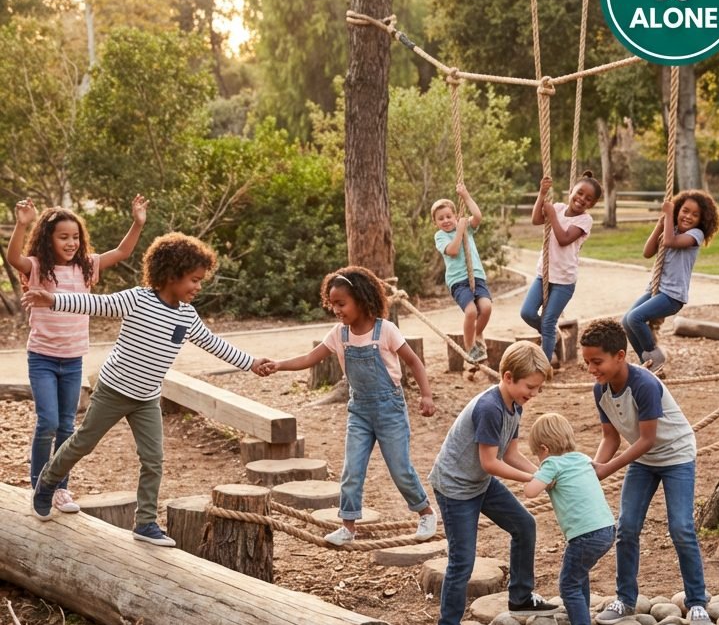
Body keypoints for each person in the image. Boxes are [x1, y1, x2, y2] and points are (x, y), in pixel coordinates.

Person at [23, 232, 267, 545]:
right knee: (83, 443)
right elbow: (96, 303)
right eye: (194, 280)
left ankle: (145, 522)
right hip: (114, 390)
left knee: (153, 459)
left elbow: (214, 344)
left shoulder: (187, 316)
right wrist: (53, 299)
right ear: (171, 275)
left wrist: (252, 363)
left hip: (147, 398)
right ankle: (47, 483)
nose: (198, 287)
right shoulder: (137, 299)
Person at [256, 265, 436, 545]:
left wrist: (426, 395)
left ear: (361, 299)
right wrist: (279, 364)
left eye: (341, 303)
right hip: (359, 411)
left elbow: (414, 362)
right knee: (352, 469)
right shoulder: (339, 334)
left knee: (400, 468)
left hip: (390, 410)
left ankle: (425, 512)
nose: (336, 310)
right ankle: (348, 527)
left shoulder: (385, 330)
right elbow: (309, 358)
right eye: (332, 304)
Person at [7, 195, 149, 512]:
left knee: (67, 427)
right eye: (63, 237)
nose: (71, 243)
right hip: (42, 358)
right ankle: (39, 487)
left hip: (73, 360)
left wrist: (137, 223)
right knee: (47, 422)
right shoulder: (38, 267)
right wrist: (21, 224)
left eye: (75, 237)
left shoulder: (86, 267)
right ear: (49, 238)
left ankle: (59, 488)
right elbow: (14, 257)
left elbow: (122, 252)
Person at [580, 318, 712, 625]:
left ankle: (697, 601)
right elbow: (610, 438)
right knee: (626, 527)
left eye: (597, 361)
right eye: (587, 362)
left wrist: (607, 470)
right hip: (644, 460)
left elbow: (647, 439)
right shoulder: (601, 390)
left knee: (681, 527)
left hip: (676, 456)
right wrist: (593, 468)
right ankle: (625, 599)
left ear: (620, 356)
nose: (591, 369)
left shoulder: (644, 385)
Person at [428, 341, 558, 625]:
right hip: (456, 488)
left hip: (479, 482)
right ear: (509, 377)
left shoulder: (515, 405)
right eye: (530, 387)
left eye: (538, 388)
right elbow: (490, 463)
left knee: (524, 525)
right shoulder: (489, 407)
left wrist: (543, 473)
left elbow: (511, 454)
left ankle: (521, 597)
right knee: (463, 560)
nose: (534, 393)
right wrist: (531, 480)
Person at [522, 412, 615, 625]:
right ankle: (580, 619)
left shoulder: (551, 464)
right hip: (606, 528)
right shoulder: (582, 458)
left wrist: (538, 475)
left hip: (585, 535)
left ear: (544, 449)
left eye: (537, 454)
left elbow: (530, 492)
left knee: (568, 584)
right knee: (579, 576)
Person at [622, 190, 719, 373]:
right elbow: (647, 253)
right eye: (685, 211)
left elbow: (669, 241)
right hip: (655, 289)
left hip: (672, 296)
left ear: (702, 219)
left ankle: (656, 357)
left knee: (635, 318)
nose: (688, 216)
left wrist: (668, 214)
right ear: (678, 210)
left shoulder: (696, 235)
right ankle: (648, 364)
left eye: (695, 214)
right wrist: (660, 224)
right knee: (626, 321)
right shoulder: (670, 228)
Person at [520, 171, 601, 364]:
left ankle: (544, 366)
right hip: (544, 274)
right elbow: (536, 220)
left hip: (564, 281)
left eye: (588, 198)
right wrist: (542, 194)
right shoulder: (557, 207)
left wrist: (552, 215)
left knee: (548, 321)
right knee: (527, 313)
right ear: (571, 191)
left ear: (592, 204)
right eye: (580, 193)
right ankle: (551, 335)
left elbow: (564, 239)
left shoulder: (585, 220)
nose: (582, 199)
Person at [431, 183, 492, 365]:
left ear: (456, 216)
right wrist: (459, 231)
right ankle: (470, 347)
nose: (446, 220)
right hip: (458, 281)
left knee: (486, 308)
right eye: (441, 218)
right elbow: (453, 250)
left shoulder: (466, 228)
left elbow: (478, 216)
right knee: (471, 311)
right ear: (435, 223)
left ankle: (477, 334)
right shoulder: (440, 236)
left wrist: (465, 195)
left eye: (449, 216)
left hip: (477, 275)